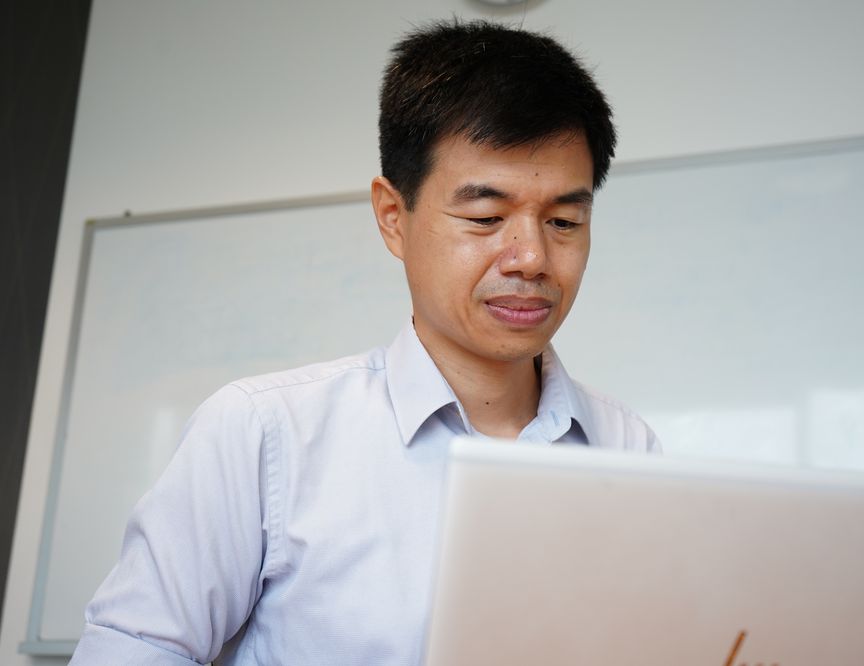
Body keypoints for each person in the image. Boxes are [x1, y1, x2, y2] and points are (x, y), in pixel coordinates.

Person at [69, 19, 660, 666]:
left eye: (565, 221)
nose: (531, 257)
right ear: (392, 218)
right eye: (486, 218)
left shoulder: (629, 449)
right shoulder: (266, 434)